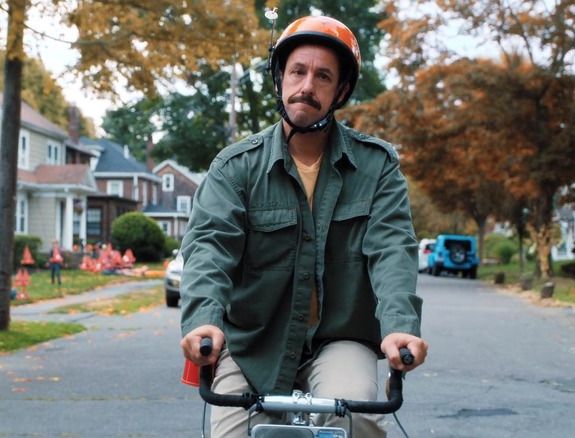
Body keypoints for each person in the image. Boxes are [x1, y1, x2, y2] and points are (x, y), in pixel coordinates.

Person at [179, 15, 428, 437]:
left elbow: (391, 249)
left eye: (323, 76)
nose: (307, 86)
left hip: (340, 338)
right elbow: (208, 247)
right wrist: (203, 320)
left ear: (341, 91)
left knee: (358, 419)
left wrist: (400, 326)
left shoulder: (377, 166)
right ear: (280, 79)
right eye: (298, 71)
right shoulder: (235, 167)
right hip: (253, 341)